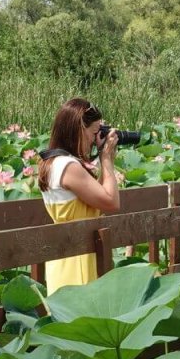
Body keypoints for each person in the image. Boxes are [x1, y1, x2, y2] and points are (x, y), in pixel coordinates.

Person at [38, 98, 120, 293]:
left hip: (66, 252)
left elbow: (96, 200)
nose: (95, 140)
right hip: (78, 256)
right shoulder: (68, 167)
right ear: (78, 130)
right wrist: (106, 159)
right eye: (93, 133)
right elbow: (111, 202)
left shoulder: (53, 162)